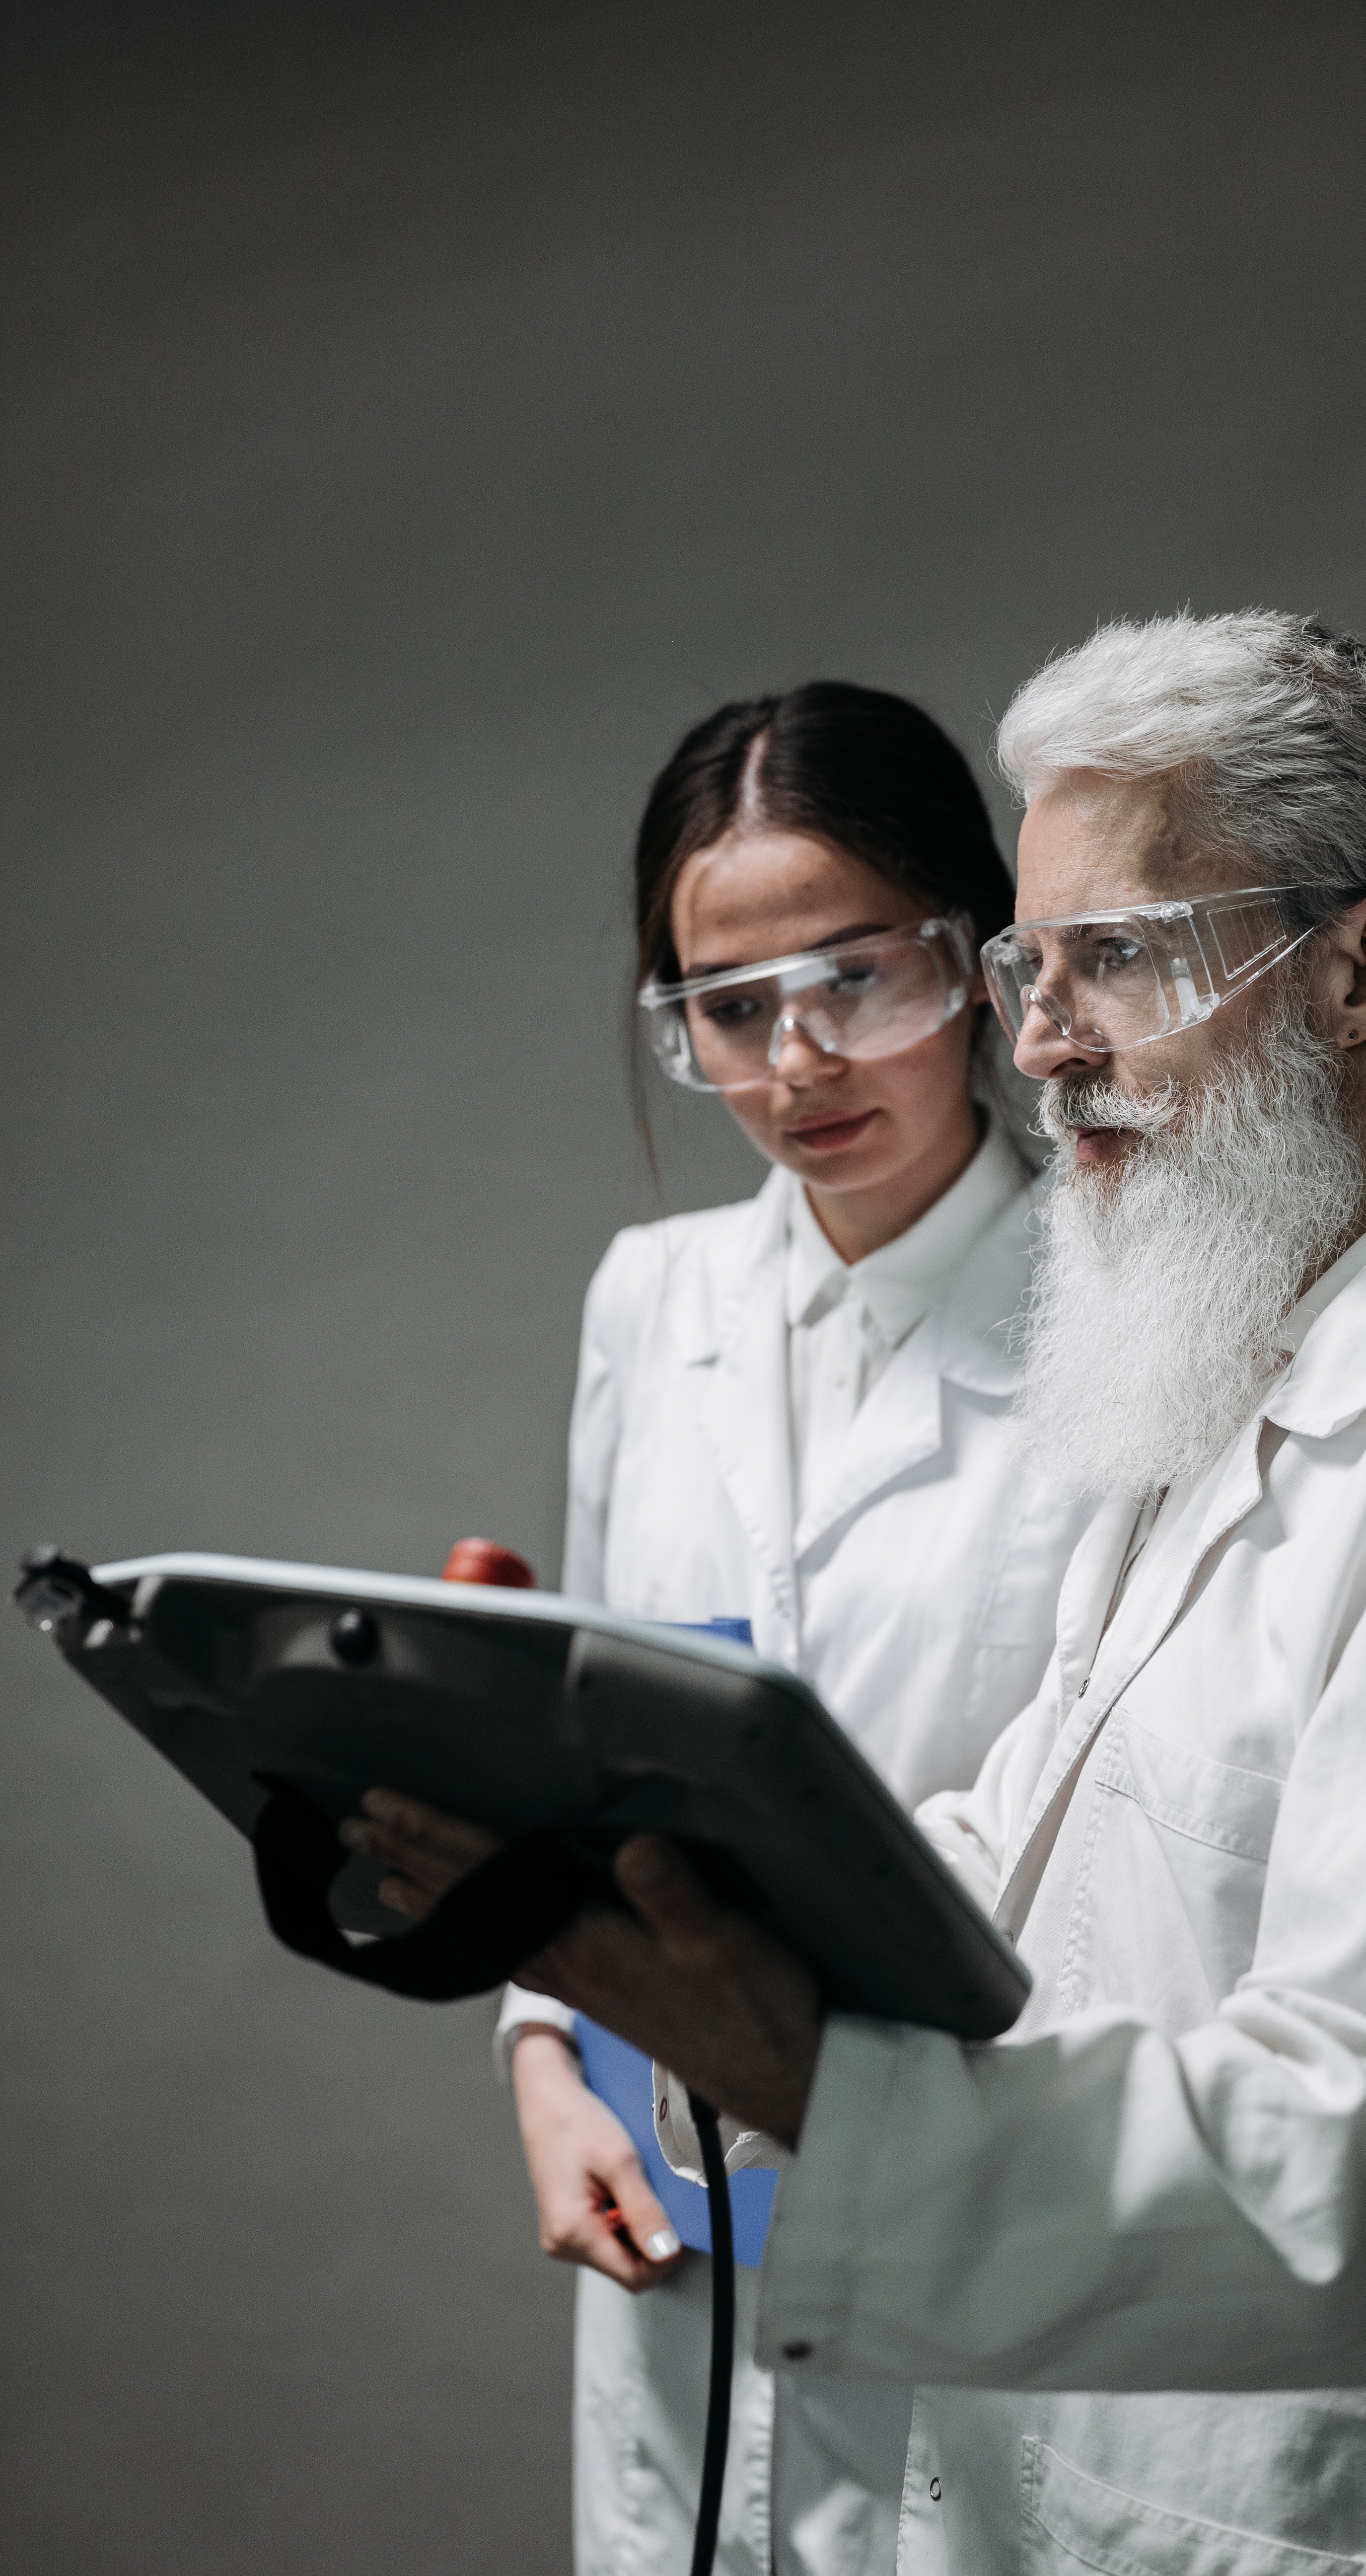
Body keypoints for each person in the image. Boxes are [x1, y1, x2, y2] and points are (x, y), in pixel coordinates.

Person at [357, 614, 1366, 2574]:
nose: (1047, 1035)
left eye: (1124, 956)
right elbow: (1026, 1874)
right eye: (1035, 963)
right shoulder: (1233, 1373)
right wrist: (608, 1899)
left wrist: (799, 2058)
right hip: (1048, 2473)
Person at [489, 682, 1095, 2576]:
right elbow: (579, 1732)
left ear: (982, 966)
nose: (796, 1060)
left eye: (860, 976)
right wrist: (535, 2057)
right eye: (727, 1011)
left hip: (978, 2191)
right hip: (666, 2210)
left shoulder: (1127, 1311)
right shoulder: (646, 1299)